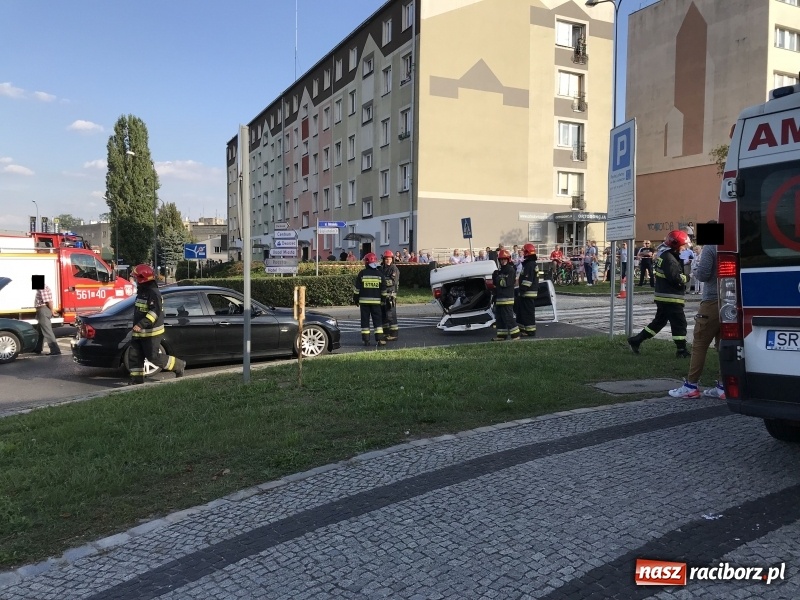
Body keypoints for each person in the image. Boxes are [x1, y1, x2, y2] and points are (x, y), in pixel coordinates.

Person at [669, 229, 725, 399]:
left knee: (700, 343)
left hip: (711, 301)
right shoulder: (729, 244)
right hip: (729, 300)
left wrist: (695, 268)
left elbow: (704, 274)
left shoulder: (710, 247)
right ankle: (723, 386)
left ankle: (691, 385)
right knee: (723, 345)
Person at [627, 230, 691, 358]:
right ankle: (681, 350)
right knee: (679, 323)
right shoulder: (670, 259)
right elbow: (675, 278)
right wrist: (687, 277)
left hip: (664, 296)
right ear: (676, 245)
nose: (685, 248)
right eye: (683, 245)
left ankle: (636, 340)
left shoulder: (667, 256)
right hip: (671, 298)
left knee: (658, 322)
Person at [129, 264, 186, 384]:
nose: (134, 280)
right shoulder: (142, 291)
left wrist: (141, 324)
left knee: (153, 358)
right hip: (139, 332)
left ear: (142, 279)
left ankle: (179, 365)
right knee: (135, 356)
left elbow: (154, 312)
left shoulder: (153, 293)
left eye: (136, 278)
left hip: (151, 333)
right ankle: (136, 381)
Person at [353, 252, 387, 347]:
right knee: (377, 321)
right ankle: (379, 339)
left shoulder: (362, 273)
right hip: (376, 303)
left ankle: (366, 340)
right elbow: (384, 290)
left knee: (365, 321)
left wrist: (355, 299)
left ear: (367, 262)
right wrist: (383, 300)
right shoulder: (380, 274)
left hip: (364, 303)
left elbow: (357, 289)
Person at [491, 249, 521, 341]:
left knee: (508, 317)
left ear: (508, 259)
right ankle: (501, 336)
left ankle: (515, 335)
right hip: (499, 298)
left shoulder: (510, 270)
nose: (503, 261)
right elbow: (496, 285)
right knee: (500, 318)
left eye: (504, 259)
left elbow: (506, 283)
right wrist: (494, 277)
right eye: (501, 259)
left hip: (507, 299)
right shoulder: (500, 270)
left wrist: (497, 278)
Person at [33, 281, 61, 356]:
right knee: (40, 331)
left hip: (43, 310)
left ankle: (55, 350)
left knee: (47, 331)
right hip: (41, 310)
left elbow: (48, 301)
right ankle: (37, 348)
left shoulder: (43, 287)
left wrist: (52, 310)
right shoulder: (41, 288)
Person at [517, 243, 538, 337]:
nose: (522, 253)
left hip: (528, 293)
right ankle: (523, 329)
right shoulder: (530, 264)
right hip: (528, 292)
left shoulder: (529, 264)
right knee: (523, 312)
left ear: (527, 252)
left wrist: (521, 291)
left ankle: (530, 331)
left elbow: (527, 280)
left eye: (523, 251)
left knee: (528, 312)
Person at [380, 250, 400, 341]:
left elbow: (393, 282)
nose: (388, 261)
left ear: (392, 259)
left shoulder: (394, 269)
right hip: (382, 296)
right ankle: (386, 332)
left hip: (390, 296)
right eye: (386, 259)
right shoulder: (382, 268)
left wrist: (382, 281)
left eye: (389, 259)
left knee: (391, 314)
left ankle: (394, 334)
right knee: (383, 315)